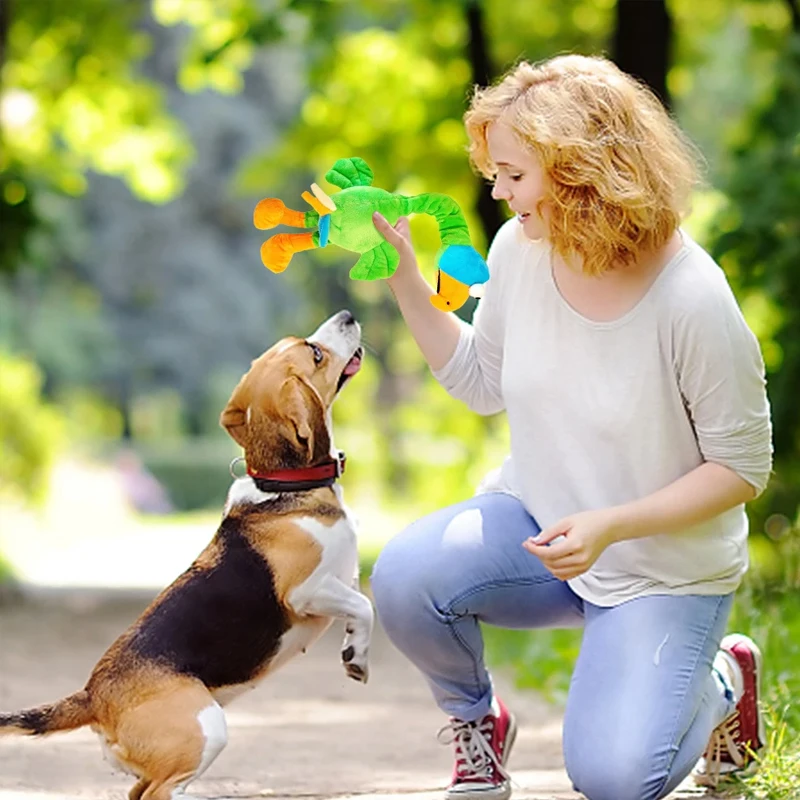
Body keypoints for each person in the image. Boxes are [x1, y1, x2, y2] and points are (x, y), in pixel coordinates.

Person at [369, 54, 773, 800]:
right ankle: (477, 723)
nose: (497, 190)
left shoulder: (693, 298)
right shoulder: (520, 252)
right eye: (494, 171)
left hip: (662, 571)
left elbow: (742, 469)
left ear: (580, 169)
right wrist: (406, 280)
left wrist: (613, 526)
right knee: (403, 578)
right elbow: (480, 382)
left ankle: (721, 680)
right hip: (541, 530)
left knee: (616, 781)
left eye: (514, 174)